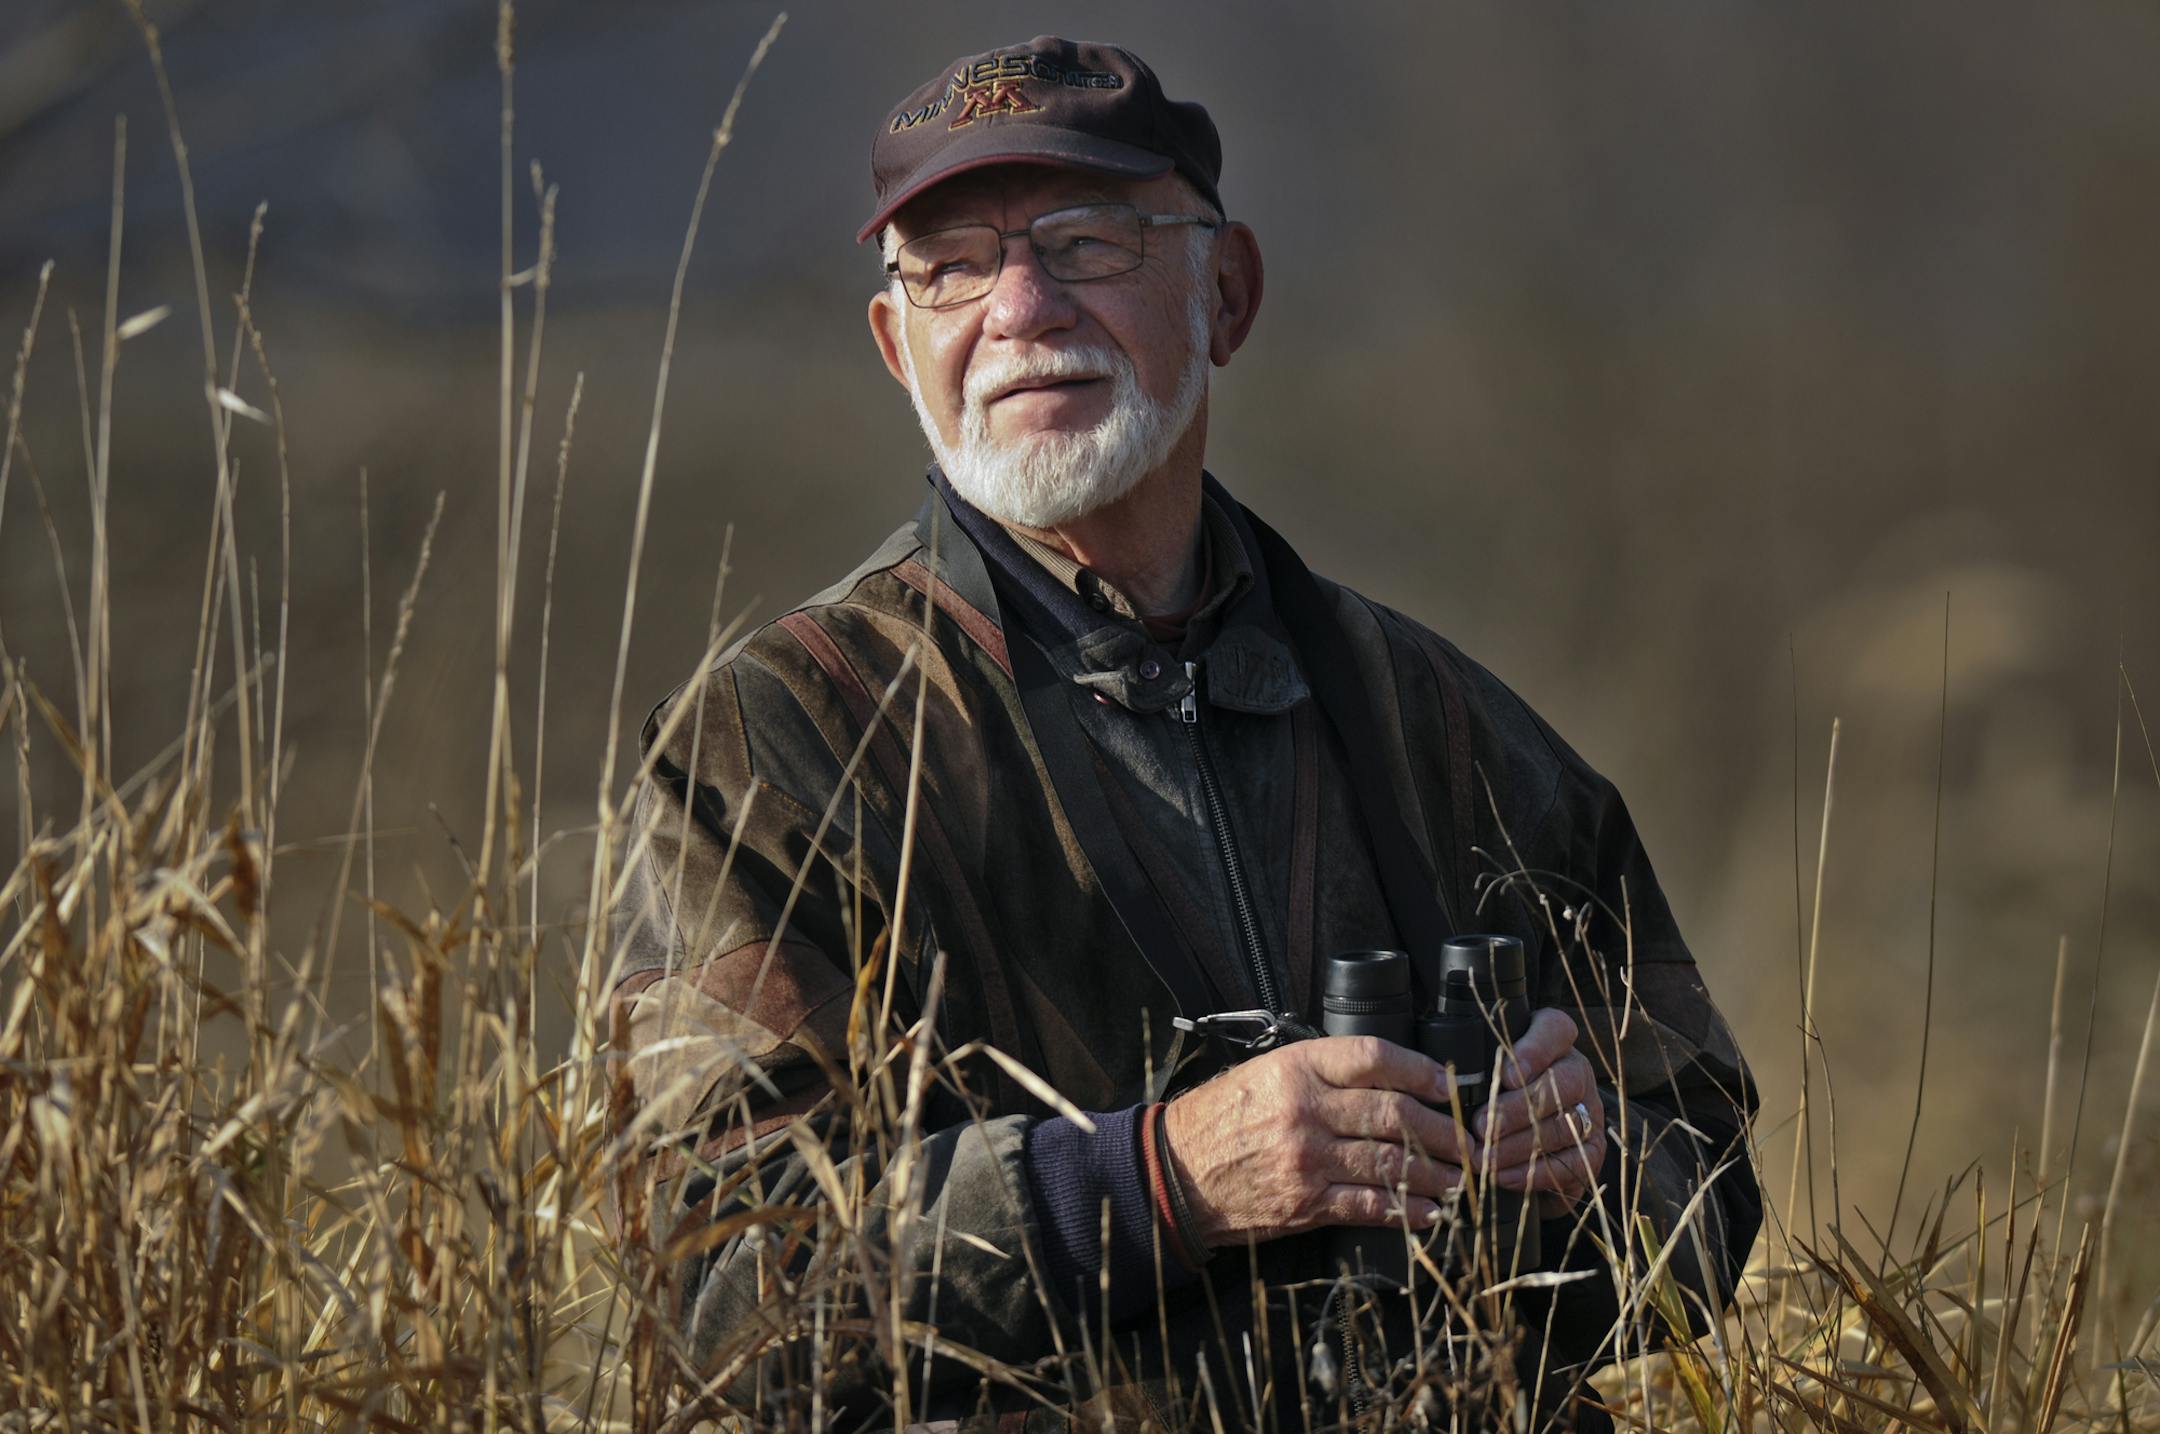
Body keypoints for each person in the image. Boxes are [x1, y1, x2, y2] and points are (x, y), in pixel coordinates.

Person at [610, 35, 1760, 1431]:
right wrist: (1166, 1177)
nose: (1021, 307)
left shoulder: (1435, 721)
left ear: (1226, 291)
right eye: (953, 264)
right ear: (893, 342)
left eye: (1087, 242)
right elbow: (725, 1292)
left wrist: (1585, 1167)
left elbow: (1702, 1203)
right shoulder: (777, 741)